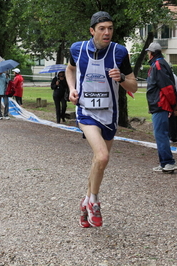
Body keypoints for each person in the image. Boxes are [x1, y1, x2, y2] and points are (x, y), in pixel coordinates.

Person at [66, 11, 137, 228]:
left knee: (99, 163)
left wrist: (122, 78)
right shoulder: (77, 49)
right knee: (103, 157)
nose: (107, 33)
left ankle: (85, 201)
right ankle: (94, 202)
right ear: (92, 31)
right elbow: (69, 69)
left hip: (109, 115)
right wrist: (71, 89)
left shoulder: (120, 52)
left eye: (110, 28)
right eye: (102, 28)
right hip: (86, 112)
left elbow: (133, 86)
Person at [144, 42, 177, 173]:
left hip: (160, 104)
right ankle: (165, 162)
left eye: (148, 52)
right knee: (160, 134)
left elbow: (167, 88)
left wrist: (173, 104)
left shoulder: (158, 65)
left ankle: (168, 162)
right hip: (161, 104)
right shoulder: (160, 63)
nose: (148, 54)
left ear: (152, 53)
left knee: (161, 134)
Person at [169, 63, 177, 143]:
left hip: (173, 99)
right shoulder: (174, 76)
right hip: (175, 98)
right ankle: (175, 136)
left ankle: (173, 137)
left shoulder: (171, 77)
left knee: (172, 118)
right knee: (173, 118)